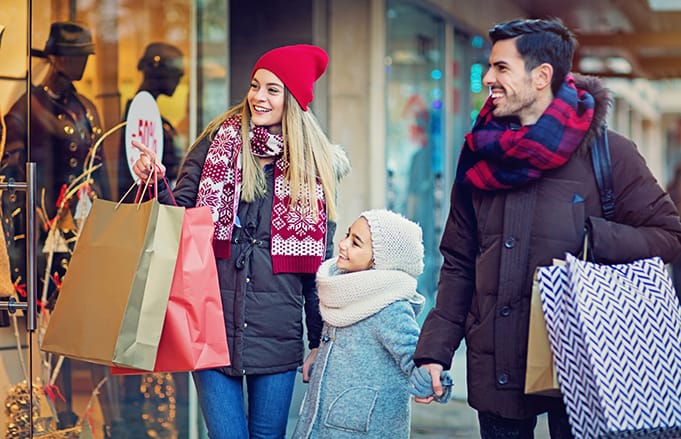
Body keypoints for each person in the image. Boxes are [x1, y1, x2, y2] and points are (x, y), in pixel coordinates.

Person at [412, 18, 681, 439]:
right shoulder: (479, 154)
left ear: (541, 76)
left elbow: (669, 236)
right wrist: (434, 352)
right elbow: (459, 262)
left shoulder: (610, 153)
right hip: (496, 363)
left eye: (502, 68)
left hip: (584, 365)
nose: (487, 78)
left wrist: (594, 237)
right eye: (490, 67)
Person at [131, 44, 350, 439]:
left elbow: (318, 269)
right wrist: (154, 183)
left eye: (272, 90)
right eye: (255, 86)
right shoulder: (216, 144)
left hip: (277, 337)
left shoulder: (314, 171)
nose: (258, 97)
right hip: (209, 327)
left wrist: (318, 342)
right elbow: (180, 221)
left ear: (294, 100)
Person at [0, 21, 120, 436]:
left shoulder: (87, 107)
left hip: (87, 236)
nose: (84, 62)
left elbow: (102, 173)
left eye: (87, 55)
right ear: (56, 58)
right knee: (56, 334)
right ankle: (62, 418)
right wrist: (22, 249)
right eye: (78, 55)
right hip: (49, 242)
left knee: (93, 328)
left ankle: (105, 418)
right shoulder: (26, 109)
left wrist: (111, 229)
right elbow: (12, 184)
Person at [292, 209, 438, 438]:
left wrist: (431, 382)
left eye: (355, 242)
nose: (342, 244)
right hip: (321, 421)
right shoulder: (343, 292)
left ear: (378, 261)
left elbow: (414, 356)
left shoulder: (390, 307)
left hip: (362, 428)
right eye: (348, 234)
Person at [117, 42, 184, 200]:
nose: (179, 79)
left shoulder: (157, 120)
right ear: (158, 71)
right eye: (175, 72)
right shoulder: (137, 116)